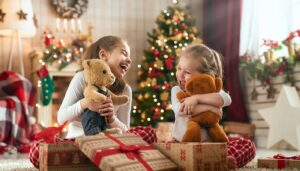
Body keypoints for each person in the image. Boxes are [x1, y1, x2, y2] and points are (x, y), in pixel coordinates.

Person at [29, 36, 157, 168]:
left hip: (109, 143)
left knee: (149, 133)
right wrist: (85, 103)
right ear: (103, 55)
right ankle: (98, 162)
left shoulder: (125, 90)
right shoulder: (81, 78)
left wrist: (111, 118)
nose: (129, 60)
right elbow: (61, 118)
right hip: (78, 144)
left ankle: (91, 163)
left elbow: (126, 132)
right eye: (124, 53)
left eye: (129, 56)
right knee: (37, 150)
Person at [170, 44, 256, 169]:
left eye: (187, 72)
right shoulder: (177, 91)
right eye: (179, 68)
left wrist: (196, 98)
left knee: (247, 145)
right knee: (166, 152)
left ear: (206, 76)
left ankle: (220, 161)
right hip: (183, 144)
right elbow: (180, 110)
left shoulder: (213, 90)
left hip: (210, 146)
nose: (180, 75)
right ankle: (214, 163)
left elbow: (226, 99)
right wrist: (212, 108)